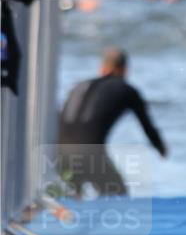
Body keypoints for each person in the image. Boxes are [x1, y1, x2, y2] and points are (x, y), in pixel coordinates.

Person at [58, 48, 167, 196]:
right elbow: (147, 126)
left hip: (59, 152)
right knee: (118, 194)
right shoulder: (127, 90)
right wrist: (160, 147)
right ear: (124, 69)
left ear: (102, 67)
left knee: (73, 196)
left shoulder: (80, 85)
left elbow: (62, 118)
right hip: (91, 154)